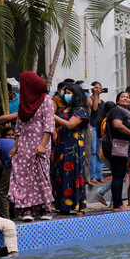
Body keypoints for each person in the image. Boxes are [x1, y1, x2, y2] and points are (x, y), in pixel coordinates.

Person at [52, 83, 89, 215]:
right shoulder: (62, 111)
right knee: (61, 174)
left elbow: (70, 124)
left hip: (74, 145)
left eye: (69, 93)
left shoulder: (80, 110)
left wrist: (52, 115)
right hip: (61, 145)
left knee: (75, 173)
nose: (66, 95)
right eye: (65, 92)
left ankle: (81, 206)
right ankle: (63, 205)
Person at [106, 91, 130, 211]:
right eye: (123, 97)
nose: (126, 99)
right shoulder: (117, 111)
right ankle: (118, 204)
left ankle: (117, 204)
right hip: (117, 147)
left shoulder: (126, 114)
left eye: (127, 97)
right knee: (117, 176)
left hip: (123, 148)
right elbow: (117, 125)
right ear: (117, 100)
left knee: (119, 176)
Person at [0, 127, 16, 219]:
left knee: (2, 191)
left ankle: (6, 218)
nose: (11, 136)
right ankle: (20, 214)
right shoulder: (9, 142)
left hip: (11, 161)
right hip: (22, 160)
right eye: (8, 135)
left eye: (12, 135)